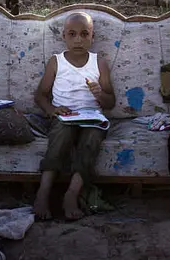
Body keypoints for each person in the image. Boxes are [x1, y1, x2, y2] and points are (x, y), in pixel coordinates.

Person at [33, 12, 115, 220]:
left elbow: (110, 102)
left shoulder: (99, 63)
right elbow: (41, 95)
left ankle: (72, 194)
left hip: (92, 118)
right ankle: (43, 192)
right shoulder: (56, 62)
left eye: (84, 34)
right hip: (64, 116)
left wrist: (100, 94)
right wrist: (52, 110)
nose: (78, 39)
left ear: (92, 37)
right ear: (64, 37)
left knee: (92, 140)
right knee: (61, 136)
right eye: (72, 34)